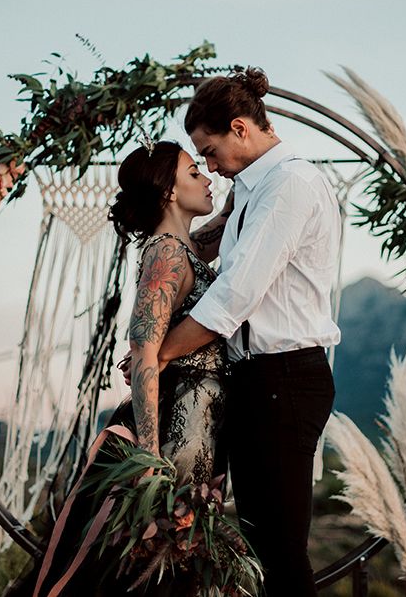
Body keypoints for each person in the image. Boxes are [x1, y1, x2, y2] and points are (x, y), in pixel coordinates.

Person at [155, 67, 341, 597]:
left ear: (240, 128)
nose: (208, 166)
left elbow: (234, 296)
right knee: (264, 551)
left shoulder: (288, 185)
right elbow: (214, 244)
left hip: (284, 379)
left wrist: (159, 354)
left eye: (209, 151)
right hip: (263, 381)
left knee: (282, 556)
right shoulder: (254, 189)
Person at [29, 140, 241, 596]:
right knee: (152, 560)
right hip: (174, 423)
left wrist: (243, 177)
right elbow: (144, 350)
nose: (206, 177)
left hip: (200, 418)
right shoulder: (165, 252)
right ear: (168, 191)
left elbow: (221, 226)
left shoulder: (185, 247)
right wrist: (148, 458)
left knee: (177, 556)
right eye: (193, 172)